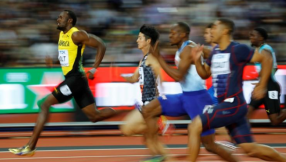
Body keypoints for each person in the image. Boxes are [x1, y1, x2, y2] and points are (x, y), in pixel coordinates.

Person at [9, 10, 117, 155]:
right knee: (94, 116)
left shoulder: (76, 34)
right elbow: (67, 56)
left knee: (44, 104)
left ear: (70, 20)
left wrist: (94, 69)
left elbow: (101, 45)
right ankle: (124, 114)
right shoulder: (61, 35)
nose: (57, 19)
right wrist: (53, 62)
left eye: (61, 17)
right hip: (75, 80)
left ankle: (30, 146)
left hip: (75, 79)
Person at [189, 18, 286, 161]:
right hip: (228, 106)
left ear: (225, 31)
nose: (211, 30)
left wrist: (262, 84)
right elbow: (204, 74)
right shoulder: (215, 51)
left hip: (233, 103)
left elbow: (266, 58)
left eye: (215, 27)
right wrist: (197, 60)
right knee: (251, 150)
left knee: (194, 126)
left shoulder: (238, 49)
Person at [142, 22, 238, 162]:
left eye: (173, 33)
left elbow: (178, 76)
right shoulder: (187, 47)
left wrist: (158, 57)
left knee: (209, 145)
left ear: (183, 35)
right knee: (148, 110)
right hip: (185, 97)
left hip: (198, 99)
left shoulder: (187, 49)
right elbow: (210, 52)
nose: (169, 35)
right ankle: (157, 153)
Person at [247, 27, 286, 125]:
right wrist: (260, 81)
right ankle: (242, 137)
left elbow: (272, 67)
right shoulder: (259, 50)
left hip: (270, 86)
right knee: (247, 113)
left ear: (260, 38)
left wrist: (263, 81)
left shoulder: (266, 49)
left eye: (253, 35)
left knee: (275, 120)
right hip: (262, 86)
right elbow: (273, 68)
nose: (250, 37)